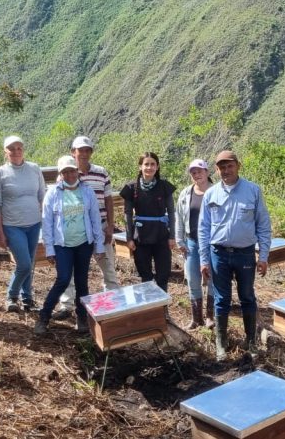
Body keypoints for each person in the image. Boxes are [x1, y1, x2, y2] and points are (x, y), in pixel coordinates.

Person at [198, 150, 271, 361]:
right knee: (222, 299)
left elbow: (263, 226)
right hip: (218, 254)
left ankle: (251, 342)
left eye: (230, 166)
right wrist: (204, 259)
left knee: (247, 296)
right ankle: (222, 344)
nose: (226, 170)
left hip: (245, 254)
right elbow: (203, 229)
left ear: (238, 165)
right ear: (217, 170)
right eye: (221, 167)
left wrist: (263, 256)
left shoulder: (253, 191)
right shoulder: (211, 194)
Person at [35, 155, 106, 334]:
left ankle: (82, 318)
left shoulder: (87, 191)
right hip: (62, 245)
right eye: (65, 171)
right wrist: (49, 248)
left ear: (77, 171)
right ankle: (44, 317)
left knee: (82, 282)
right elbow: (47, 223)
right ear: (60, 174)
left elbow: (95, 219)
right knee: (63, 279)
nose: (69, 174)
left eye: (72, 170)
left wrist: (99, 245)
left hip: (84, 243)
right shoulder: (53, 193)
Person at [53, 136, 120, 320]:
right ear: (72, 152)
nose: (83, 153)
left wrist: (110, 227)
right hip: (76, 230)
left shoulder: (101, 172)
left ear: (91, 152)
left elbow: (108, 199)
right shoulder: (66, 173)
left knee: (108, 267)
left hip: (102, 226)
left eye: (86, 150)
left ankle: (112, 304)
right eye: (79, 150)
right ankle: (67, 305)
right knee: (70, 270)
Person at [0, 135, 46, 312]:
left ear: (23, 149)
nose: (16, 151)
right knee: (24, 264)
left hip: (34, 224)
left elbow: (42, 197)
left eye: (19, 148)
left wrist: (46, 224)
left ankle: (27, 298)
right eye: (11, 148)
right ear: (5, 152)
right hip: (12, 225)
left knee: (30, 262)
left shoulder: (34, 169)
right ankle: (11, 295)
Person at [119, 152, 176, 292]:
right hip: (141, 236)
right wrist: (129, 238)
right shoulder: (131, 188)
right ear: (140, 166)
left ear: (157, 167)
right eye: (146, 164)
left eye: (152, 164)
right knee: (145, 276)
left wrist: (172, 236)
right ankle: (149, 311)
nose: (149, 167)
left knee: (163, 275)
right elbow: (127, 214)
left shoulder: (164, 186)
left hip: (161, 236)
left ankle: (163, 311)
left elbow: (172, 212)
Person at [175, 158, 215, 330]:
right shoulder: (185, 193)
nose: (196, 174)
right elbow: (178, 218)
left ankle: (210, 317)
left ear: (207, 172)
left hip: (213, 244)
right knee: (192, 279)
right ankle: (196, 318)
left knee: (212, 279)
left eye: (199, 171)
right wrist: (179, 239)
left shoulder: (217, 192)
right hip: (191, 242)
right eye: (193, 172)